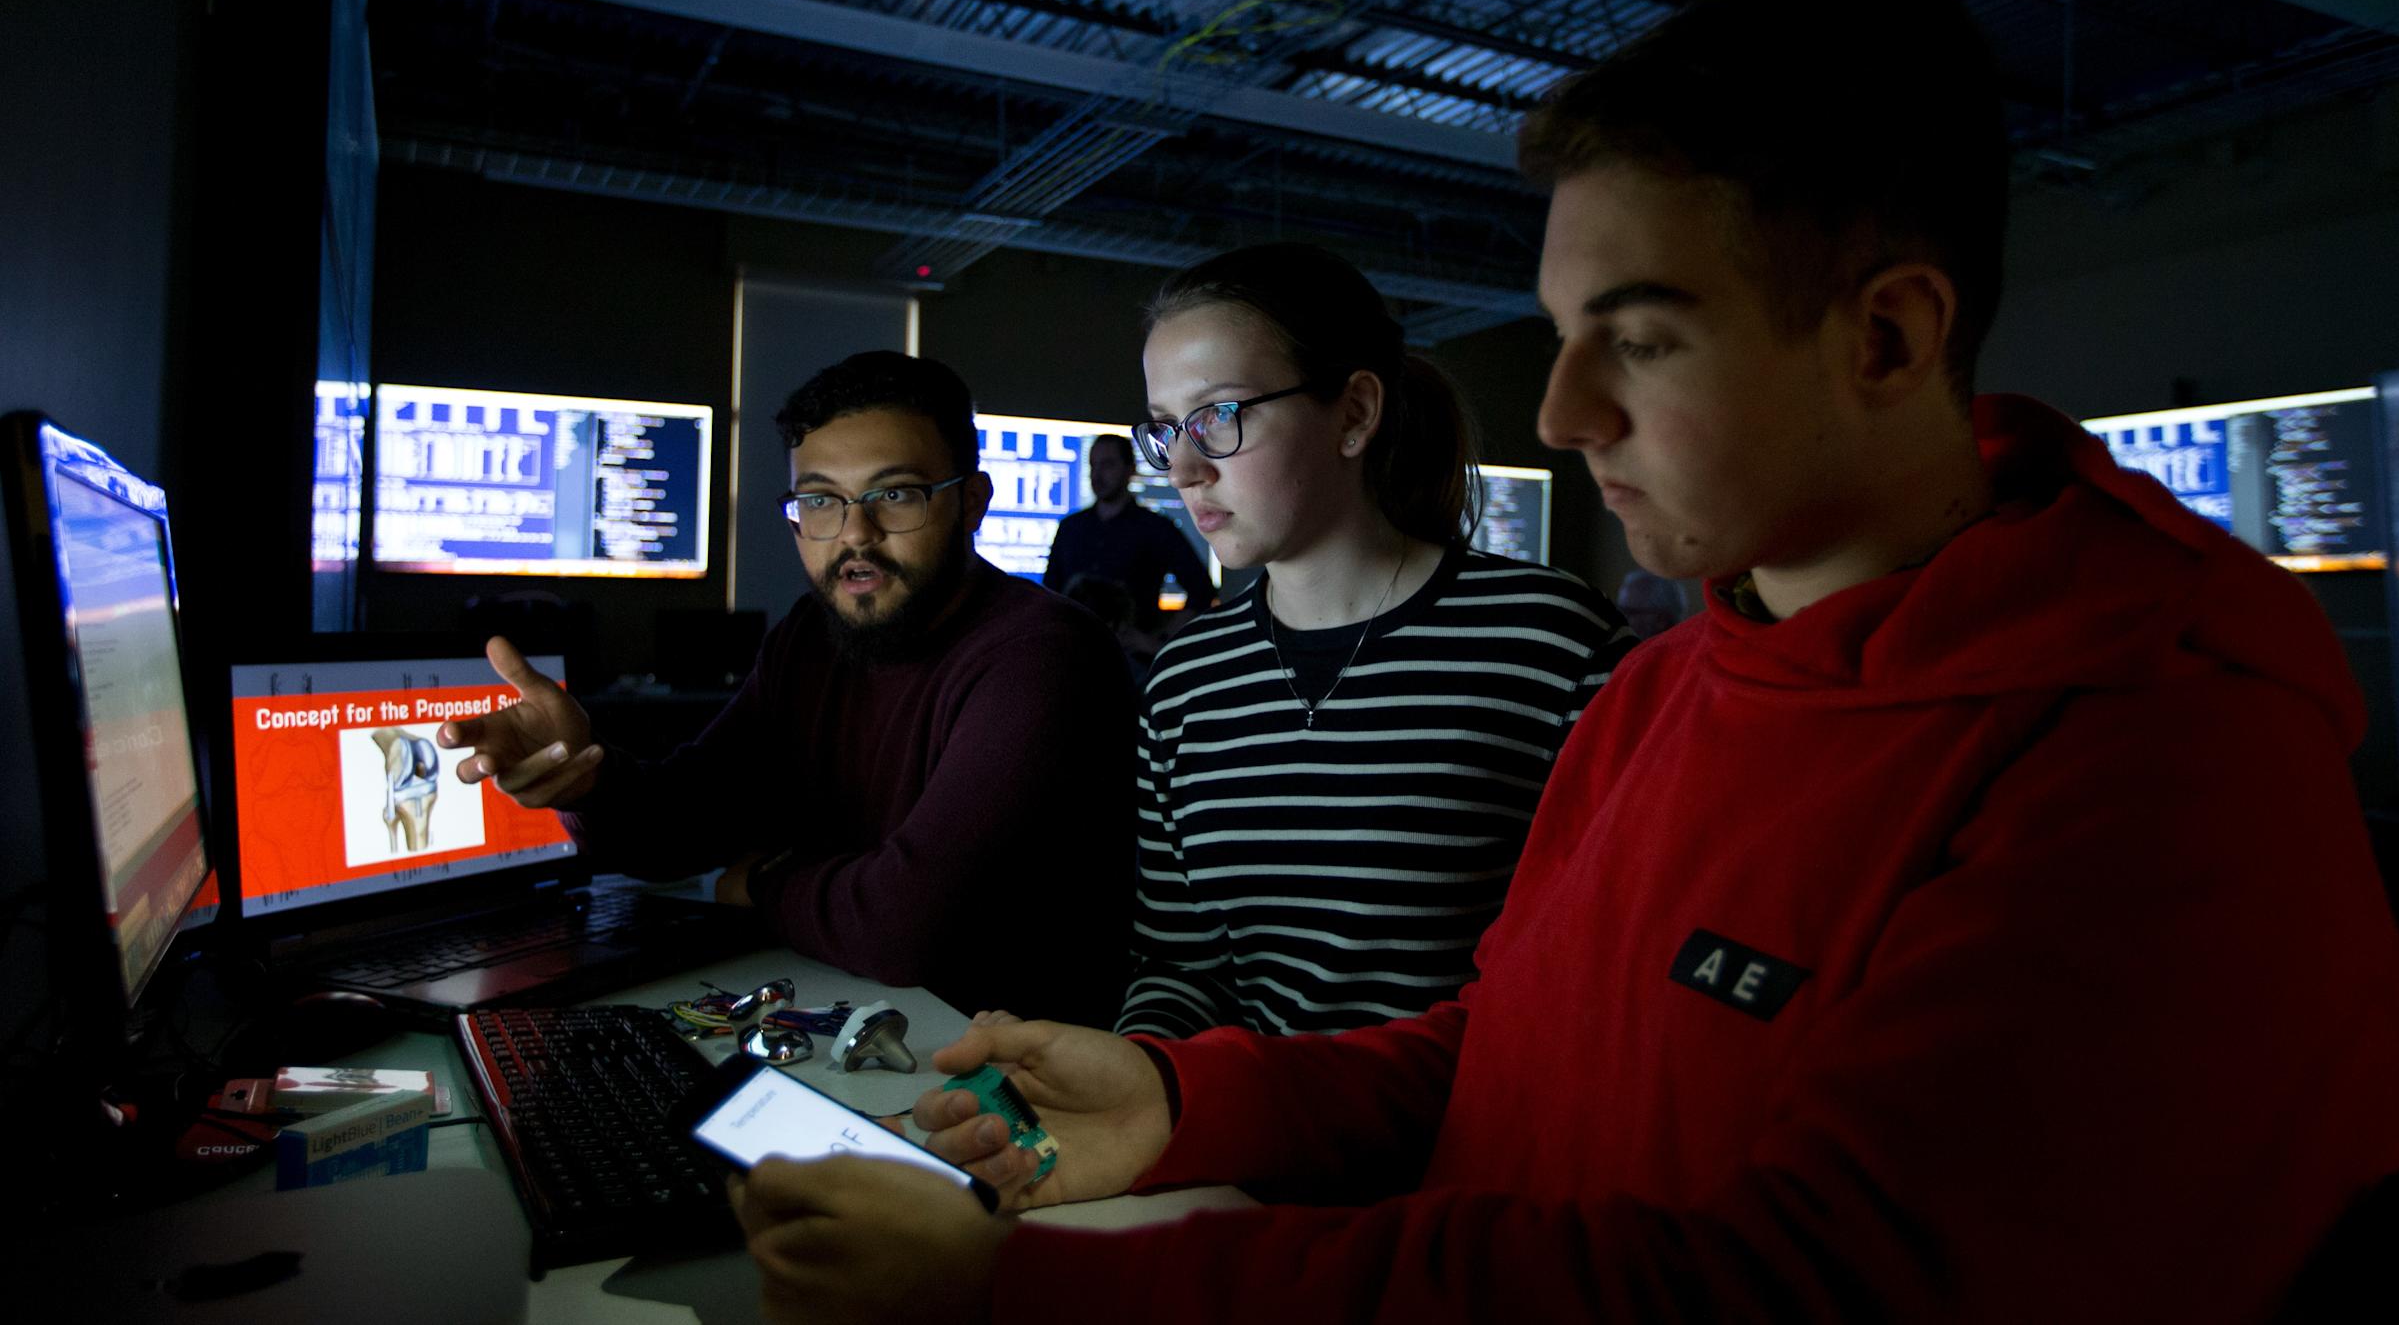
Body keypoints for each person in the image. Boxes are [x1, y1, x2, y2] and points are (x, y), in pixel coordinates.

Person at [726, 0, 2399, 1321]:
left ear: (1887, 336)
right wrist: (1188, 1100)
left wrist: (1044, 1294)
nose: (1561, 412)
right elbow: (1502, 1056)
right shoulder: (1678, 681)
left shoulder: (2166, 752)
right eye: (1562, 335)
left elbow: (1807, 1285)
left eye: (1642, 340)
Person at [437, 351, 1134, 1026]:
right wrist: (585, 775)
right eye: (821, 500)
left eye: (895, 495)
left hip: (1007, 1078)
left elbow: (905, 925)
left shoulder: (1043, 655)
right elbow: (686, 819)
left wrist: (765, 881)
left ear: (971, 503)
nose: (854, 535)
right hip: (857, 1020)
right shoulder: (813, 635)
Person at [1116, 241, 1634, 1038]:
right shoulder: (1189, 680)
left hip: (1467, 1149)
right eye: (1164, 429)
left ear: (1354, 414)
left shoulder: (1549, 643)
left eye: (1218, 417)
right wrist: (1141, 1084)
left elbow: (1595, 981)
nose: (1182, 468)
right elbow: (1181, 967)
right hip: (1233, 1139)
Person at [1041, 432, 1216, 663]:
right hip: (1071, 655)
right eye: (1093, 465)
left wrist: (1159, 641)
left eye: (1108, 464)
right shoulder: (1070, 527)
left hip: (1130, 664)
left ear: (1129, 469)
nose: (1097, 474)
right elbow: (1048, 593)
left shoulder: (1155, 528)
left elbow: (1202, 589)